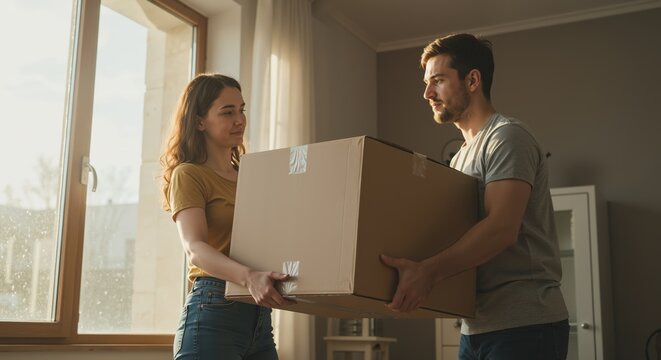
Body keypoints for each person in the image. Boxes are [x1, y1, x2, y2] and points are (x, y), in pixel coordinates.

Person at [380, 33, 570, 359]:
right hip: (475, 327)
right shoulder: (459, 159)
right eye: (427, 83)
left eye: (438, 81)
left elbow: (500, 228)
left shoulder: (507, 137)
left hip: (525, 326)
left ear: (472, 80)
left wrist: (427, 272)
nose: (427, 93)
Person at [161, 73, 293, 360]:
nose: (239, 120)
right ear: (199, 122)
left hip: (258, 316)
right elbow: (194, 249)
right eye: (227, 112)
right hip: (213, 311)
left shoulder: (251, 175)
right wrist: (249, 277)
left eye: (242, 110)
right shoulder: (189, 174)